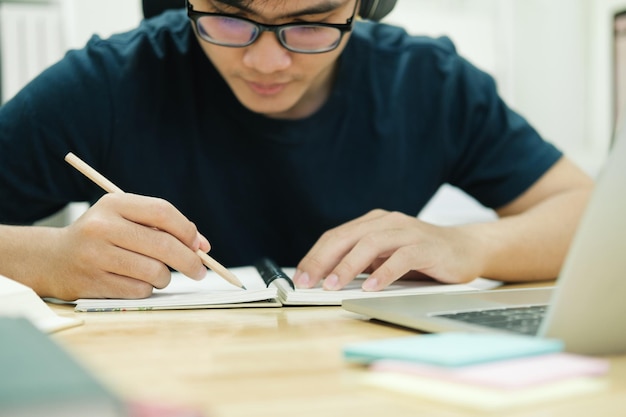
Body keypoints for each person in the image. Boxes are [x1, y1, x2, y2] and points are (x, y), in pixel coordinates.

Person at [0, 0, 593, 301]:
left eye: (310, 25)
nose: (266, 62)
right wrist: (46, 258)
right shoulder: (106, 83)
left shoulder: (429, 82)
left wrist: (471, 244)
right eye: (231, 19)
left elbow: (589, 214)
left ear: (365, 5)